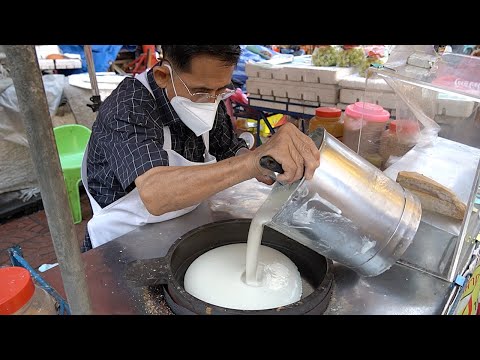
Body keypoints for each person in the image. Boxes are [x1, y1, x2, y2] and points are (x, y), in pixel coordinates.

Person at [81, 45, 320, 252]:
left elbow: (230, 149)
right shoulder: (128, 106)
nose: (213, 100)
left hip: (182, 228)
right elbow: (155, 194)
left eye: (221, 90)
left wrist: (265, 165)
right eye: (202, 91)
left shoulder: (209, 98)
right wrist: (252, 162)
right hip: (122, 243)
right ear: (163, 75)